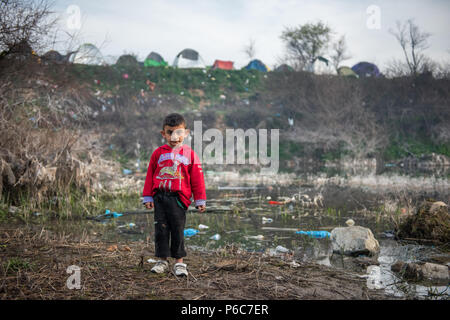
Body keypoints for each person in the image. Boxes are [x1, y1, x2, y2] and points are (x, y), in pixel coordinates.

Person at [142, 113, 206, 276]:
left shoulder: (190, 155)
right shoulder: (158, 154)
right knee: (161, 229)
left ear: (186, 133)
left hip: (179, 199)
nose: (174, 136)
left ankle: (179, 262)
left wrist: (200, 200)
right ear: (163, 134)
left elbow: (197, 179)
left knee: (177, 229)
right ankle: (162, 260)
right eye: (170, 132)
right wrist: (148, 196)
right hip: (160, 198)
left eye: (178, 132)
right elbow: (150, 175)